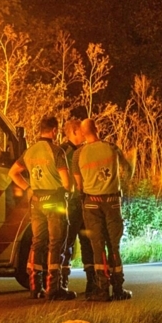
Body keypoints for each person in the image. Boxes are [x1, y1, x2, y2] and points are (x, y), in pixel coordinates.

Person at [8, 115, 75, 300]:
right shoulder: (57, 151)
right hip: (54, 201)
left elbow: (12, 172)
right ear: (54, 130)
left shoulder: (29, 152)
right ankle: (53, 288)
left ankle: (34, 287)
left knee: (37, 243)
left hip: (36, 201)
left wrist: (28, 188)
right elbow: (67, 182)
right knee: (55, 244)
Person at [72, 118, 133, 301]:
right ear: (96, 129)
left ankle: (102, 289)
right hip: (112, 201)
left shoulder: (78, 154)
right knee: (113, 245)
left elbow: (78, 184)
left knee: (97, 246)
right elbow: (127, 169)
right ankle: (118, 288)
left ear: (83, 133)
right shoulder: (112, 148)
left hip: (91, 203)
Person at [60, 118, 96, 297]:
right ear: (74, 132)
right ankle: (62, 282)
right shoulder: (65, 152)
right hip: (72, 204)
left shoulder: (81, 151)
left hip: (82, 202)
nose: (84, 133)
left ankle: (92, 281)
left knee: (87, 241)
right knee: (67, 242)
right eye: (81, 131)